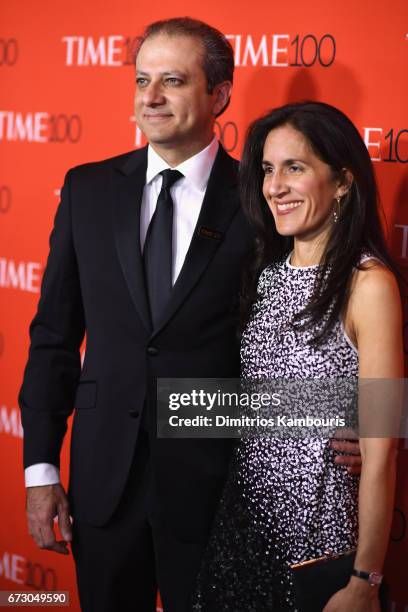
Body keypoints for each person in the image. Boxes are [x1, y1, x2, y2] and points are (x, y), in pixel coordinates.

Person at [19, 19, 361, 611]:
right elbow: (53, 337)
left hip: (218, 488)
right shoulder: (88, 190)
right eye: (142, 80)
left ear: (220, 94)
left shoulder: (265, 201)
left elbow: (306, 339)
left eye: (172, 81)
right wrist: (41, 470)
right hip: (102, 484)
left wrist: (362, 418)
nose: (150, 98)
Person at [194, 101, 403, 611]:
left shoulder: (367, 283)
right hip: (239, 536)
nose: (275, 186)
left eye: (295, 167)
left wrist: (363, 581)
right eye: (268, 169)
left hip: (318, 553)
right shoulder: (264, 273)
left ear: (344, 182)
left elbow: (380, 452)